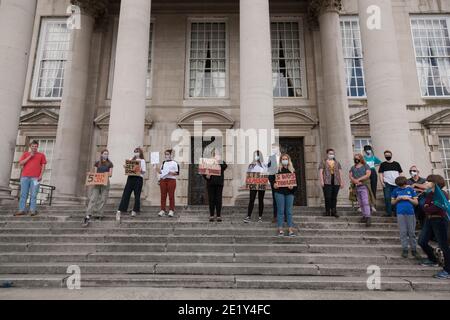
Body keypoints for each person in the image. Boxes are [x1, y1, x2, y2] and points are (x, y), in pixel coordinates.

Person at [418, 174, 450, 280]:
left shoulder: (442, 194)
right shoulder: (430, 194)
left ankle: (447, 270)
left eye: (428, 181)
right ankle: (433, 259)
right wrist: (428, 207)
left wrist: (428, 207)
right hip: (430, 219)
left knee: (444, 246)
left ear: (434, 183)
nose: (425, 183)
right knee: (422, 241)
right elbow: (424, 207)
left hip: (440, 220)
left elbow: (433, 208)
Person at [16, 140, 47, 217]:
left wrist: (41, 175)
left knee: (33, 194)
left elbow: (43, 166)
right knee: (23, 194)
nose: (34, 148)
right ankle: (21, 210)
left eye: (36, 146)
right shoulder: (25, 154)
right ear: (30, 146)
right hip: (25, 177)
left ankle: (32, 210)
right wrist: (30, 156)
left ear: (37, 147)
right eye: (33, 146)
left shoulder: (41, 155)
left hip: (35, 178)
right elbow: (20, 163)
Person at [83, 150, 113, 227]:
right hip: (97, 181)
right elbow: (95, 172)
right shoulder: (97, 163)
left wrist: (106, 174)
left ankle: (99, 214)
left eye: (107, 154)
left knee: (103, 198)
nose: (106, 155)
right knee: (93, 198)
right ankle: (88, 213)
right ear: (101, 154)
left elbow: (110, 174)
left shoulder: (110, 164)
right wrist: (90, 175)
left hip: (105, 182)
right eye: (104, 154)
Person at [391, 176, 420, 259]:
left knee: (412, 232)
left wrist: (409, 199)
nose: (402, 187)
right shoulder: (395, 190)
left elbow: (416, 203)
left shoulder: (411, 190)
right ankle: (405, 249)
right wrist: (398, 199)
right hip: (400, 213)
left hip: (410, 213)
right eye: (400, 186)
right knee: (403, 232)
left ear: (405, 183)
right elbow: (392, 203)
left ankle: (414, 250)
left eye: (403, 185)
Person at [116, 147, 146, 221]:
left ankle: (135, 210)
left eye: (137, 151)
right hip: (131, 178)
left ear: (140, 152)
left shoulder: (142, 161)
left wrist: (139, 169)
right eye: (135, 151)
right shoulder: (131, 159)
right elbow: (127, 167)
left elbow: (144, 171)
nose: (136, 153)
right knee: (126, 193)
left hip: (138, 178)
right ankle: (122, 208)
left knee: (137, 194)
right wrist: (126, 167)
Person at [274, 154, 298, 237]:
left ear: (289, 160)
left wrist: (292, 187)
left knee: (289, 212)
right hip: (279, 193)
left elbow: (296, 185)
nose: (284, 160)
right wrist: (274, 185)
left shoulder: (292, 171)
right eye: (283, 159)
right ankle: (280, 230)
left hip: (289, 193)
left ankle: (290, 230)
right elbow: (272, 181)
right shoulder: (277, 170)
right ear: (281, 160)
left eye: (286, 159)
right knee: (280, 211)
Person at [202, 151, 227, 222]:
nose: (216, 155)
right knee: (211, 199)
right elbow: (203, 171)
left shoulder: (221, 161)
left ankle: (218, 215)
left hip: (219, 183)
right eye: (215, 154)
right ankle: (211, 215)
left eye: (217, 154)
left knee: (218, 199)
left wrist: (218, 161)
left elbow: (225, 167)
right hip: (210, 183)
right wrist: (206, 176)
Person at [319, 148, 344, 218]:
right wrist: (321, 181)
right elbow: (321, 172)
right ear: (327, 154)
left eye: (332, 153)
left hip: (336, 181)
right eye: (330, 153)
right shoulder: (323, 162)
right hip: (327, 181)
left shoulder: (337, 162)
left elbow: (340, 172)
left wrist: (341, 182)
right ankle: (327, 211)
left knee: (334, 197)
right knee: (327, 197)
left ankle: (334, 211)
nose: (331, 155)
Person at [349, 154, 373, 227]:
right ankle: (364, 216)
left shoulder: (366, 166)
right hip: (356, 187)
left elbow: (368, 174)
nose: (356, 159)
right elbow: (350, 175)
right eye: (355, 158)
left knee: (365, 201)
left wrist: (359, 179)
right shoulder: (353, 167)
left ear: (361, 159)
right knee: (360, 202)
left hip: (364, 186)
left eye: (358, 158)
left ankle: (368, 217)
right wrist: (354, 181)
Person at [244, 150, 267, 223]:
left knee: (261, 200)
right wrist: (247, 183)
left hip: (261, 184)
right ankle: (248, 216)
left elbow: (266, 174)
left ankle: (260, 217)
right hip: (253, 184)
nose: (256, 157)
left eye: (257, 155)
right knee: (251, 199)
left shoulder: (264, 165)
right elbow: (248, 174)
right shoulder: (251, 165)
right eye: (255, 155)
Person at [155, 149, 179, 217]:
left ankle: (171, 210)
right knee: (163, 195)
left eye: (168, 154)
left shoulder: (175, 163)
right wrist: (156, 168)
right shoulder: (163, 163)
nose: (166, 155)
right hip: (163, 180)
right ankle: (162, 210)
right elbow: (160, 172)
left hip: (171, 180)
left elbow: (177, 173)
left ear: (171, 155)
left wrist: (171, 172)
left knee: (171, 195)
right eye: (165, 154)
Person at [379, 150, 403, 217]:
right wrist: (382, 182)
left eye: (388, 155)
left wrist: (401, 182)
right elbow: (380, 174)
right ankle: (388, 212)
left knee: (396, 198)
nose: (387, 156)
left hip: (396, 184)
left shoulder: (396, 164)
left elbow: (400, 173)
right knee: (387, 198)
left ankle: (396, 212)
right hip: (387, 183)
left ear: (391, 155)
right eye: (386, 155)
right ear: (384, 156)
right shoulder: (383, 164)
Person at [363, 145, 382, 212]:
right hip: (365, 173)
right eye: (367, 150)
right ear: (364, 151)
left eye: (369, 149)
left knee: (373, 188)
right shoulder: (363, 158)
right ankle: (366, 205)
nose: (368, 151)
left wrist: (374, 165)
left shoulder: (374, 157)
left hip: (373, 172)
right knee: (366, 189)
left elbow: (380, 162)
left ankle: (373, 205)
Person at [267, 144, 280, 223]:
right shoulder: (271, 157)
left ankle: (284, 215)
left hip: (282, 180)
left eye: (274, 148)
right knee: (275, 198)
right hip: (273, 179)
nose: (273, 149)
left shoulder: (284, 157)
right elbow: (268, 168)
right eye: (272, 148)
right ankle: (275, 216)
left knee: (283, 198)